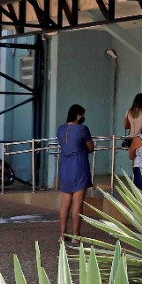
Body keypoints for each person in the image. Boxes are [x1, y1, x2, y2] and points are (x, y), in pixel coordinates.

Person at [56, 103, 94, 245]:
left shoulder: (60, 129)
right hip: (79, 165)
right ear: (78, 116)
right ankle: (75, 235)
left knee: (65, 202)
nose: (84, 117)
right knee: (77, 202)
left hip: (65, 166)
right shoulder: (82, 129)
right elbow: (90, 147)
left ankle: (62, 234)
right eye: (83, 115)